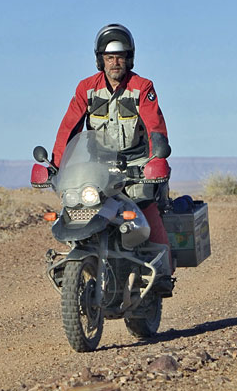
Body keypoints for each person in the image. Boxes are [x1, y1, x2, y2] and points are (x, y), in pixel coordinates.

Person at [52, 23, 174, 295]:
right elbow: (69, 127)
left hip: (137, 164)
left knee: (146, 203)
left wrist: (156, 159)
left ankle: (162, 270)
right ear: (100, 60)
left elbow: (155, 126)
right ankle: (77, 262)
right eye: (109, 57)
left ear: (129, 58)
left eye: (120, 56)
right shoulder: (86, 89)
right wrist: (56, 164)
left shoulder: (142, 87)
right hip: (99, 166)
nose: (115, 62)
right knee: (80, 205)